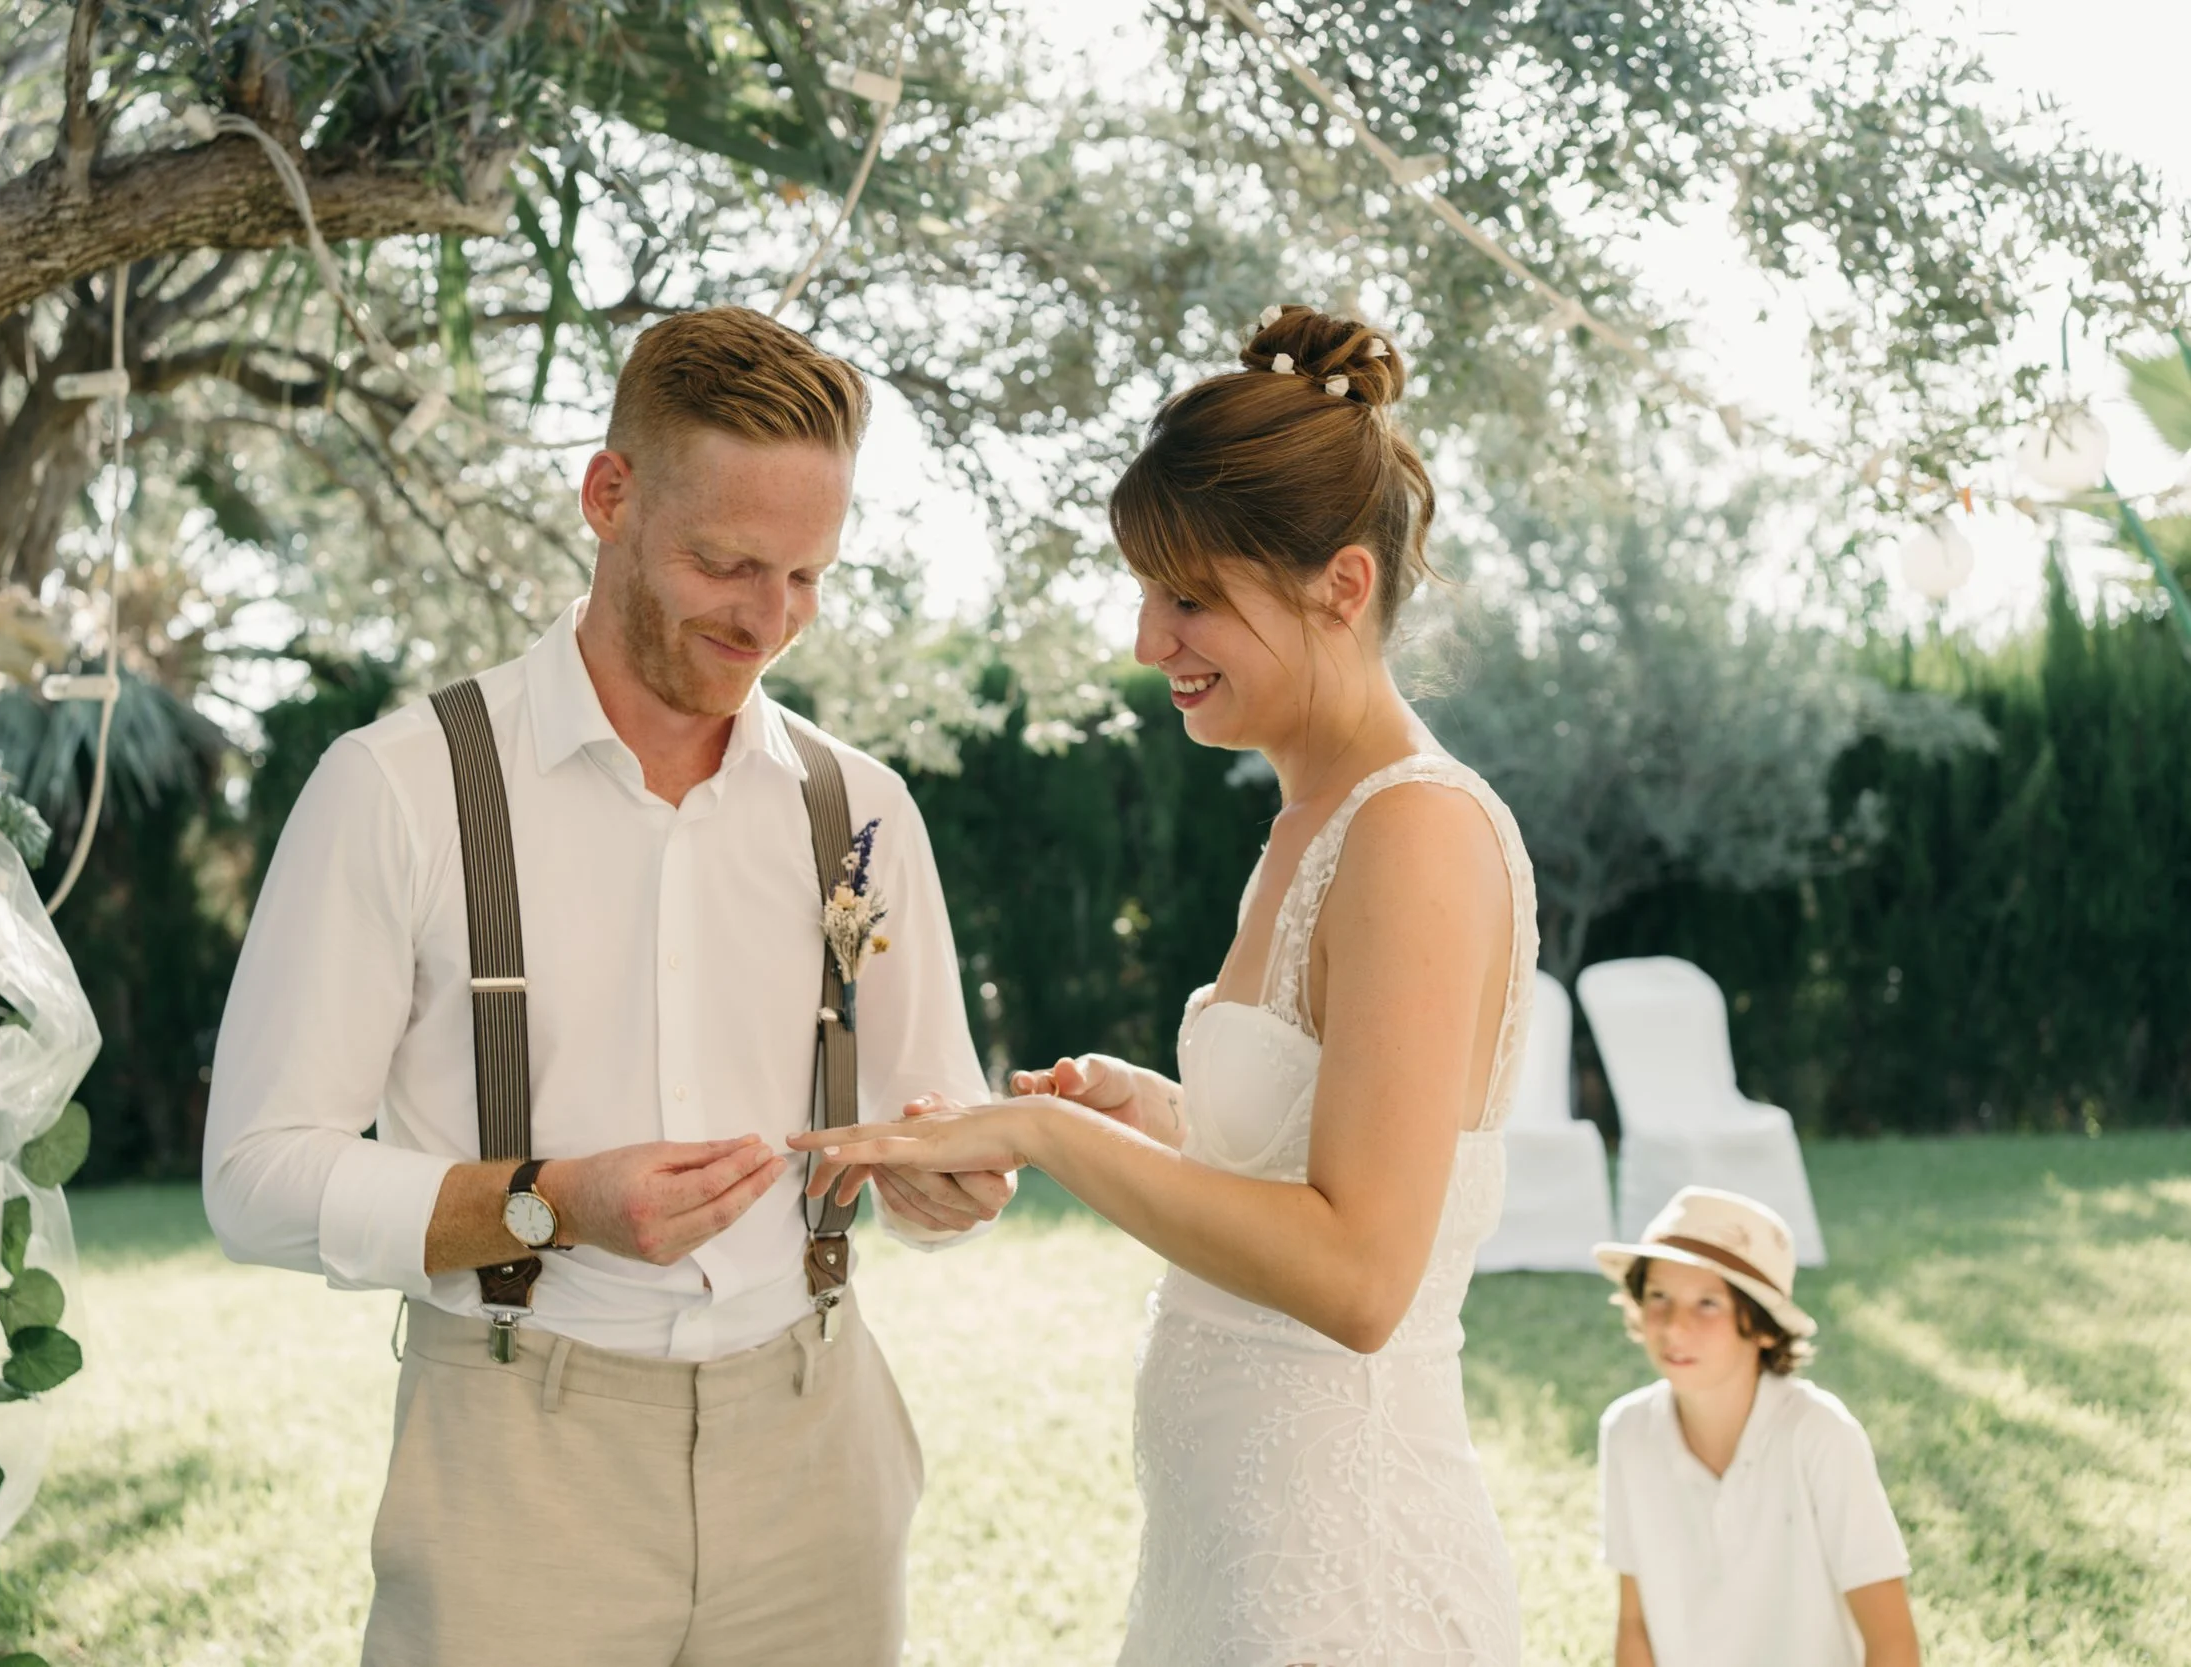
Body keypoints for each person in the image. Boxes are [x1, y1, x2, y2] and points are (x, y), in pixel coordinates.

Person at [202, 305, 1014, 1667]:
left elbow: (932, 1116)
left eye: (807, 575)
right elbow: (255, 1177)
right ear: (608, 496)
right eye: (726, 563)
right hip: (520, 1465)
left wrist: (948, 1182)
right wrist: (551, 1200)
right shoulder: (397, 788)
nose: (769, 619)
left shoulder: (861, 811)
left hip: (816, 1451)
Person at [794, 303, 1528, 1664]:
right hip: (1238, 1564)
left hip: (1345, 1585)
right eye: (1145, 593)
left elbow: (1362, 1274)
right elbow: (1320, 1169)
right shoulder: (1312, 823)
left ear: (1341, 585)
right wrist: (1167, 1123)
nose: (1149, 640)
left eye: (1189, 598)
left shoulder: (1416, 831)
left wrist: (1047, 1133)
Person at [1593, 1187, 1920, 1667]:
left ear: (1764, 1326)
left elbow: (1892, 1641)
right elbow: (1634, 1624)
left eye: (1708, 1303)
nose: (1674, 1326)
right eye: (1659, 1296)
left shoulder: (1819, 1434)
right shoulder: (1627, 1432)